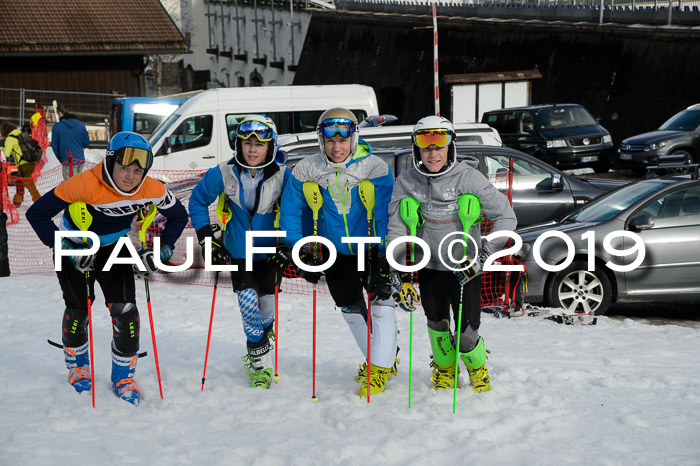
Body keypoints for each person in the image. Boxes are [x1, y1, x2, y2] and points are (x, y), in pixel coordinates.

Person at [26, 132, 188, 406]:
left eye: (138, 170)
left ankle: (124, 376)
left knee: (126, 312)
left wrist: (164, 249)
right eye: (124, 167)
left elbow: (178, 216)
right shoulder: (84, 184)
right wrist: (65, 247)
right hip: (75, 244)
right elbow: (36, 214)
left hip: (115, 247)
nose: (130, 176)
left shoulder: (152, 188)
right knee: (79, 308)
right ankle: (78, 368)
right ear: (110, 161)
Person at [384, 115, 517, 393]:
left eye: (439, 145)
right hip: (430, 267)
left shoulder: (470, 177)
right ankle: (445, 370)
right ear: (416, 148)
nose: (433, 153)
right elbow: (397, 229)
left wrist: (482, 256)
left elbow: (507, 218)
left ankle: (477, 368)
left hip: (465, 268)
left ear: (451, 146)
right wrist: (397, 273)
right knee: (437, 325)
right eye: (425, 145)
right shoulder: (407, 182)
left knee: (467, 337)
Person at [279, 108, 398, 397]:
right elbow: (291, 213)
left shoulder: (375, 167)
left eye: (342, 141)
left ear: (354, 139)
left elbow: (386, 214)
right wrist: (300, 250)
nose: (336, 147)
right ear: (321, 141)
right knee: (350, 307)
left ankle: (379, 368)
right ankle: (380, 359)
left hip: (369, 247)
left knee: (382, 303)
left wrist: (384, 254)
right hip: (334, 250)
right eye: (330, 141)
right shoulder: (307, 169)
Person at [189, 115, 291, 390]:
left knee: (266, 310)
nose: (252, 149)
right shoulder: (223, 172)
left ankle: (261, 343)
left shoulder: (284, 175)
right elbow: (197, 202)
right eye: (247, 143)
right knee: (248, 304)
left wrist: (289, 244)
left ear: (271, 147)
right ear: (239, 144)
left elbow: (296, 211)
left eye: (260, 144)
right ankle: (260, 365)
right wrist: (206, 237)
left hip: (270, 254)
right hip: (238, 252)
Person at [1, 122, 41, 207]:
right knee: (19, 181)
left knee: (30, 185)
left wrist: (2, 150)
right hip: (31, 161)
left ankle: (39, 202)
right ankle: (17, 201)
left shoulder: (10, 138)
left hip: (23, 164)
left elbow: (6, 154)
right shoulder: (21, 134)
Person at [50, 104, 90, 180]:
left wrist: (61, 158)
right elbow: (86, 143)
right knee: (77, 182)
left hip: (67, 160)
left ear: (60, 113)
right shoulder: (81, 125)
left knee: (69, 185)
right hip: (79, 160)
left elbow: (55, 146)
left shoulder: (57, 126)